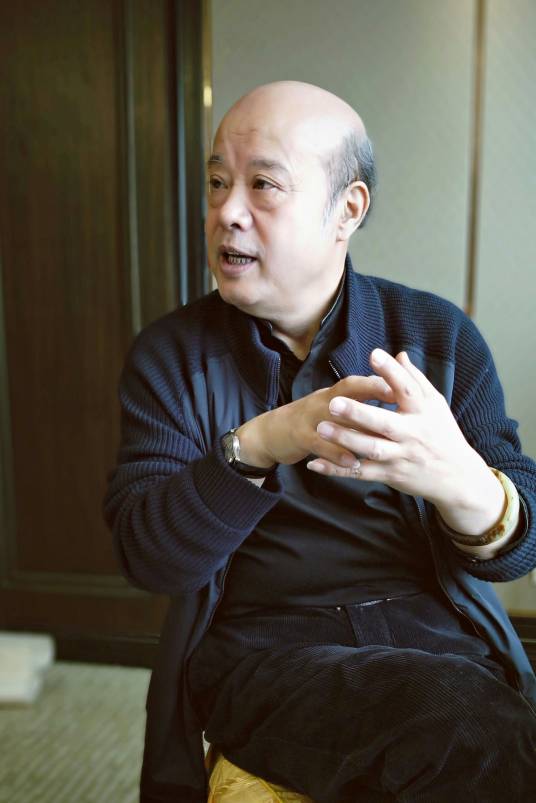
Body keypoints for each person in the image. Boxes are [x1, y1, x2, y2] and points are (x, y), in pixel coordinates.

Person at [104, 81, 536, 803]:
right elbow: (150, 556)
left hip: (435, 636)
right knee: (470, 726)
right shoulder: (172, 357)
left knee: (472, 721)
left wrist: (461, 481)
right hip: (268, 655)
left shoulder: (436, 337)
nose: (226, 211)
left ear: (348, 209)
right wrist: (260, 443)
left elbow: (521, 543)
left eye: (263, 185)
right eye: (217, 182)